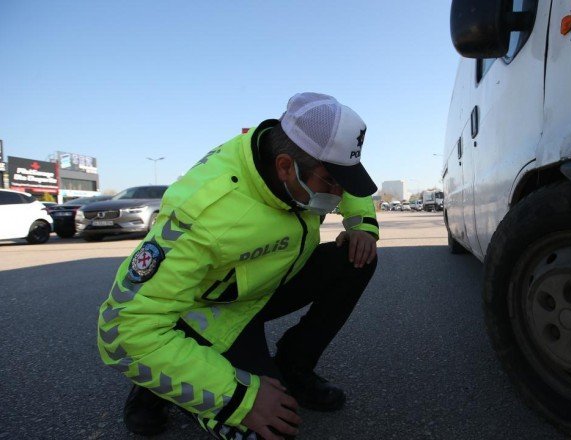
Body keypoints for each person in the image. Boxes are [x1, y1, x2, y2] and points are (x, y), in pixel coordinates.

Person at [97, 92, 380, 440]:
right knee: (268, 429)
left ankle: (294, 367)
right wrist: (237, 398)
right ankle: (158, 382)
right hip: (214, 311)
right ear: (285, 167)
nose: (338, 195)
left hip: (264, 285)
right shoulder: (203, 213)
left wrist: (361, 224)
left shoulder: (300, 159)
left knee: (356, 259)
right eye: (332, 182)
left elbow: (343, 180)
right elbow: (123, 327)